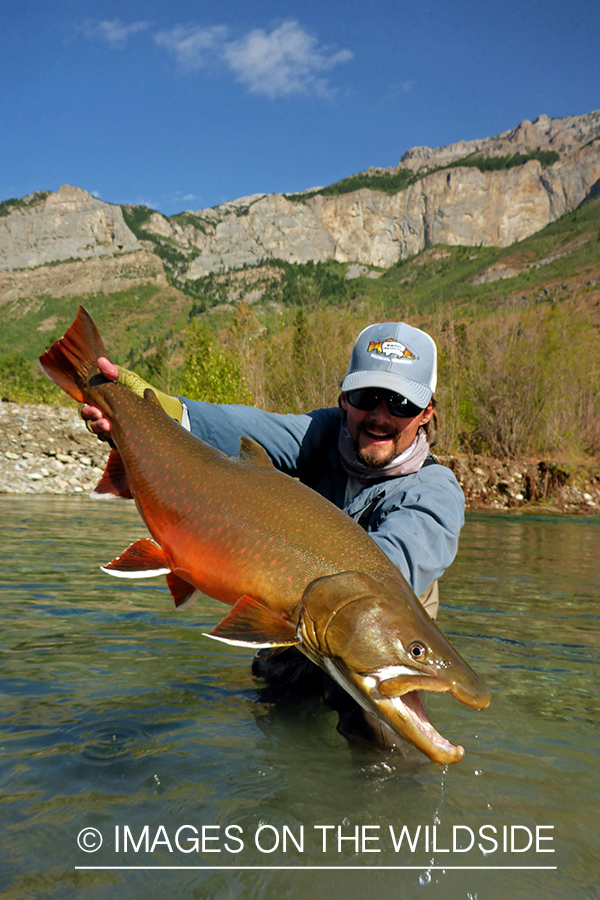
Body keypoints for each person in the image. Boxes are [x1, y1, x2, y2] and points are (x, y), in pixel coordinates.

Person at [82, 321, 465, 744]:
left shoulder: (436, 492)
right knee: (275, 708)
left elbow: (380, 579)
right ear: (344, 399)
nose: (379, 416)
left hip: (380, 639)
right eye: (366, 397)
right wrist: (150, 408)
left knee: (380, 743)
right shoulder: (325, 433)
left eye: (400, 403)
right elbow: (238, 427)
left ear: (427, 411)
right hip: (295, 618)